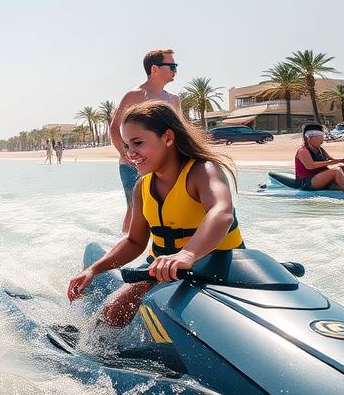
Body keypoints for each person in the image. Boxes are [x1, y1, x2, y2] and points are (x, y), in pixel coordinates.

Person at [66, 101, 244, 326]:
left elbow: (221, 212)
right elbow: (134, 241)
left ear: (168, 138)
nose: (131, 154)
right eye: (127, 146)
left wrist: (186, 255)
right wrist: (93, 270)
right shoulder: (143, 187)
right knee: (111, 312)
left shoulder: (202, 171)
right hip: (161, 271)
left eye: (138, 143)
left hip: (215, 266)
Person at [110, 48, 182, 231]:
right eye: (171, 65)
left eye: (176, 66)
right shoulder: (134, 96)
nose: (175, 70)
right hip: (133, 164)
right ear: (154, 69)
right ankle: (125, 246)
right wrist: (125, 154)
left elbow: (181, 131)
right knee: (134, 208)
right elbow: (114, 127)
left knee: (167, 206)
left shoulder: (174, 100)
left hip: (163, 165)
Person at [294, 124, 344, 197]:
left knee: (342, 167)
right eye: (320, 136)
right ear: (310, 137)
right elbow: (310, 166)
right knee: (336, 171)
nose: (323, 139)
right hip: (306, 182)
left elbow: (331, 160)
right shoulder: (303, 151)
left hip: (319, 177)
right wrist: (333, 162)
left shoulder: (320, 149)